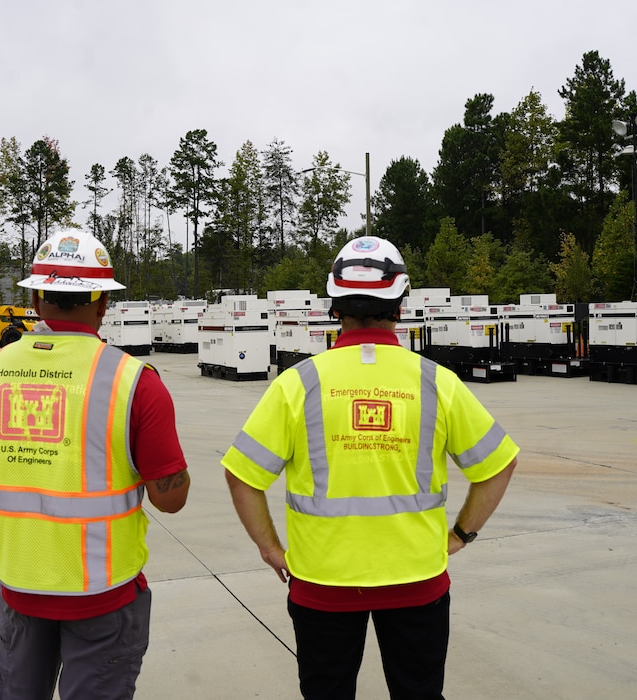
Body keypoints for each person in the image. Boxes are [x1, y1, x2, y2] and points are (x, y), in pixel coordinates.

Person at [221, 236, 518, 700]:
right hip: (417, 582)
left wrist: (270, 548)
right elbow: (498, 464)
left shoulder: (298, 383)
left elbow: (242, 474)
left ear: (334, 304)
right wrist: (462, 534)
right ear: (399, 303)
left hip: (322, 584)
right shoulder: (437, 382)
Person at [0, 231, 191, 700]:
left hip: (21, 585)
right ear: (103, 303)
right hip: (104, 593)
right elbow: (171, 499)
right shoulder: (133, 381)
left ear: (37, 298)